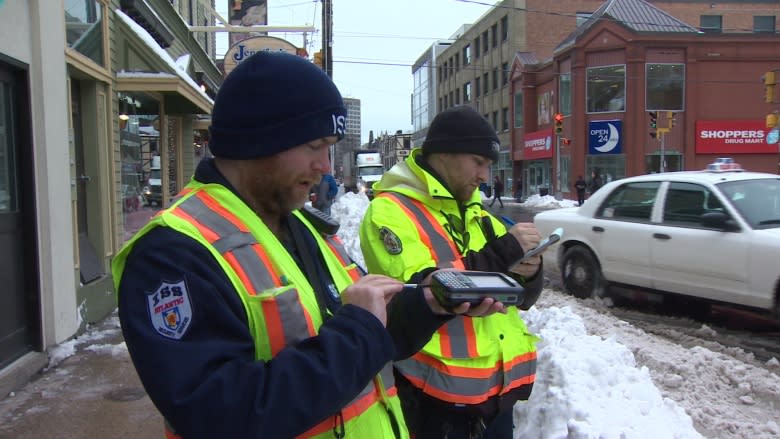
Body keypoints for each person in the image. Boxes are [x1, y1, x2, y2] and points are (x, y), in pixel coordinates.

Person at [112, 52, 504, 439]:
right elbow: (219, 414)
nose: (327, 167)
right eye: (315, 145)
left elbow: (366, 334)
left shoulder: (301, 224)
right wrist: (358, 331)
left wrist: (425, 305)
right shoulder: (172, 254)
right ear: (258, 140)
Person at [359, 105, 547, 439]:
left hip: (498, 398)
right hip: (436, 401)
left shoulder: (479, 212)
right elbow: (430, 291)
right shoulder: (390, 211)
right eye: (478, 162)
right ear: (443, 153)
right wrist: (505, 252)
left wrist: (530, 271)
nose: (485, 176)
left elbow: (523, 299)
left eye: (489, 166)